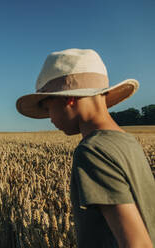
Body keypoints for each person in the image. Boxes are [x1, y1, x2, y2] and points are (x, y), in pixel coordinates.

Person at [16, 48, 155, 247]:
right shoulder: (129, 142)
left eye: (48, 109)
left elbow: (137, 243)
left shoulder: (92, 151)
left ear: (68, 98)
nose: (50, 119)